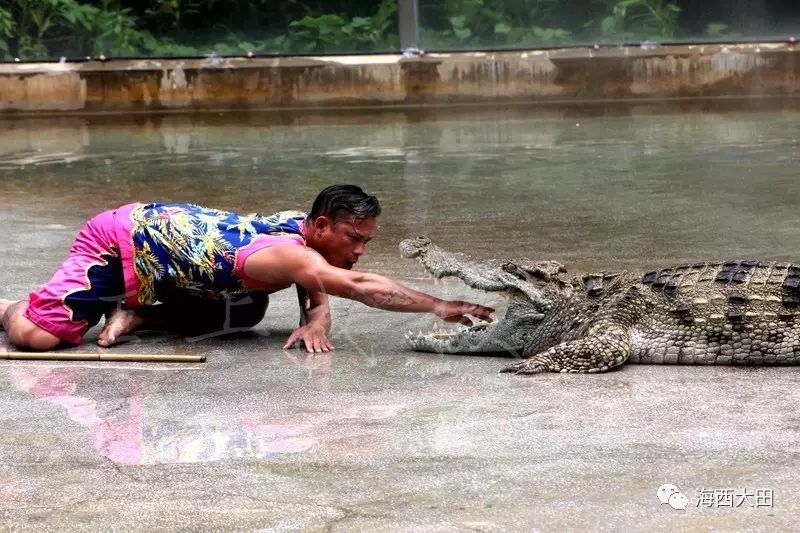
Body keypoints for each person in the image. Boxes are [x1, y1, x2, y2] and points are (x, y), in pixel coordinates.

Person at [0, 184, 494, 353]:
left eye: (367, 240)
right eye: (354, 238)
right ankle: (9, 305)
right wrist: (439, 304)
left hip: (172, 266)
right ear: (321, 225)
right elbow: (358, 285)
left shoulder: (297, 229)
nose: (361, 250)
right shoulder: (295, 252)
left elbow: (314, 272)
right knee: (39, 337)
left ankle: (137, 314)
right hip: (122, 239)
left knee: (249, 309)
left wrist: (317, 311)